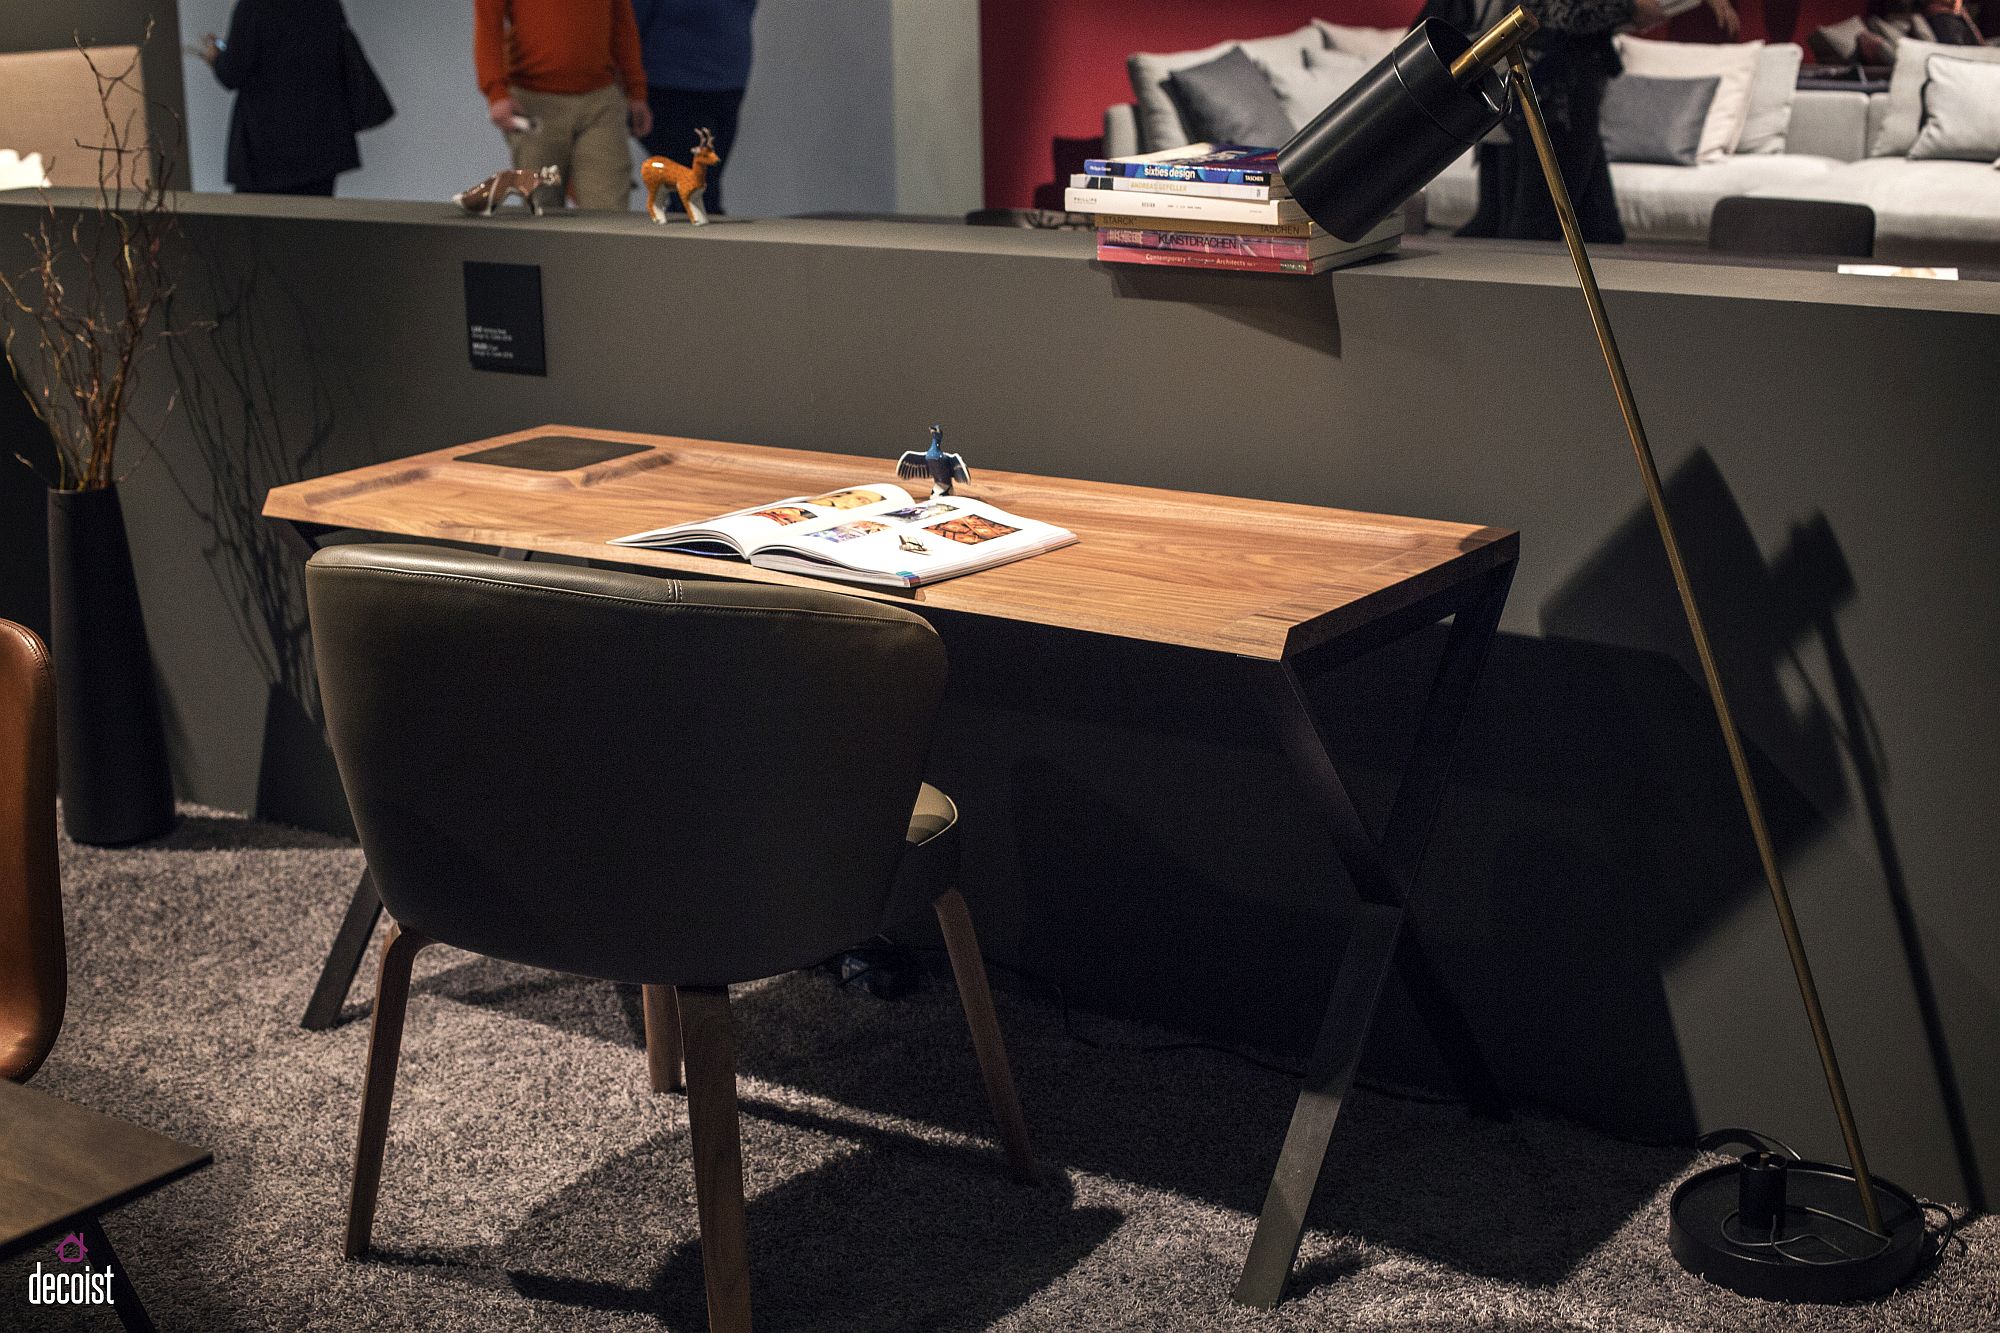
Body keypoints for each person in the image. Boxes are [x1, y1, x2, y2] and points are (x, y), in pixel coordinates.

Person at [1434, 0, 1738, 244]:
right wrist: (1630, 8)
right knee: (1537, 229)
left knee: (1593, 226)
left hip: (1550, 91)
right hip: (1553, 96)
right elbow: (1547, 10)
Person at [474, 0, 653, 211]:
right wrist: (496, 92)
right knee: (542, 208)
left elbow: (622, 23)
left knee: (608, 210)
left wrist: (636, 91)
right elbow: (488, 25)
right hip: (535, 102)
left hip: (600, 101)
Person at [201, 0, 360, 196]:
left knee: (260, 222)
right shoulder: (326, 4)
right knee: (313, 221)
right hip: (321, 145)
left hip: (265, 147)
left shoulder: (253, 6)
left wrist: (216, 59)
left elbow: (233, 73)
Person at [631, 0, 758, 216]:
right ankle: (697, 246)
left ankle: (695, 243)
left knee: (703, 185)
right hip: (670, 89)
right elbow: (632, 22)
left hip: (727, 86)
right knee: (696, 192)